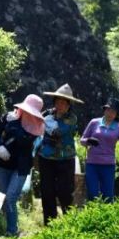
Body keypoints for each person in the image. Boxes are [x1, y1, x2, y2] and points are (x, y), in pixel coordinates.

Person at [0, 93, 45, 236]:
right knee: (2, 197)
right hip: (3, 163)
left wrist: (15, 126)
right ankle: (2, 227)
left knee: (10, 197)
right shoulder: (8, 118)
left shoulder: (38, 129)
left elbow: (26, 143)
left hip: (21, 167)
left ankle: (12, 231)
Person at [79, 97, 119, 202]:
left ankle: (107, 217)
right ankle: (92, 217)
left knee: (107, 196)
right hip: (92, 164)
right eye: (108, 110)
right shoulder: (94, 122)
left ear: (116, 114)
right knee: (92, 194)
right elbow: (82, 140)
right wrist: (89, 141)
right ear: (104, 110)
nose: (110, 113)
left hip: (108, 166)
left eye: (113, 111)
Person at [37, 83, 83, 224]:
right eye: (58, 101)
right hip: (46, 159)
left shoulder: (72, 118)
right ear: (54, 102)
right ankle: (50, 224)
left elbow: (58, 131)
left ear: (69, 105)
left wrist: (46, 124)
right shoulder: (47, 114)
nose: (61, 104)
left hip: (65, 160)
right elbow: (36, 125)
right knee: (47, 191)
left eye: (64, 102)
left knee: (64, 192)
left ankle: (69, 223)